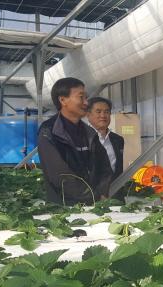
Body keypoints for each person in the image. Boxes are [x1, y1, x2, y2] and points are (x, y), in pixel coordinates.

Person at [38, 77, 113, 205]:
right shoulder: (49, 131)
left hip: (94, 206)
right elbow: (60, 175)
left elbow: (105, 168)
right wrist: (92, 197)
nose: (86, 102)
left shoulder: (89, 133)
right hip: (63, 208)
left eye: (86, 97)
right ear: (63, 100)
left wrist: (101, 193)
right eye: (81, 97)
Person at [86, 97, 124, 181]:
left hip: (115, 187)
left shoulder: (118, 140)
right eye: (98, 112)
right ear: (88, 114)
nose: (103, 116)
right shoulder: (80, 138)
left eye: (106, 112)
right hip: (89, 188)